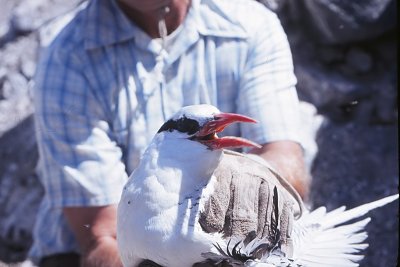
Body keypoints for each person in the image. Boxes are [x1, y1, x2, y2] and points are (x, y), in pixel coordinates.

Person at [31, 0, 310, 266]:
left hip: (231, 242)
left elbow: (286, 166)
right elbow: (102, 235)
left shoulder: (251, 25)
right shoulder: (67, 61)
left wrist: (235, 198)